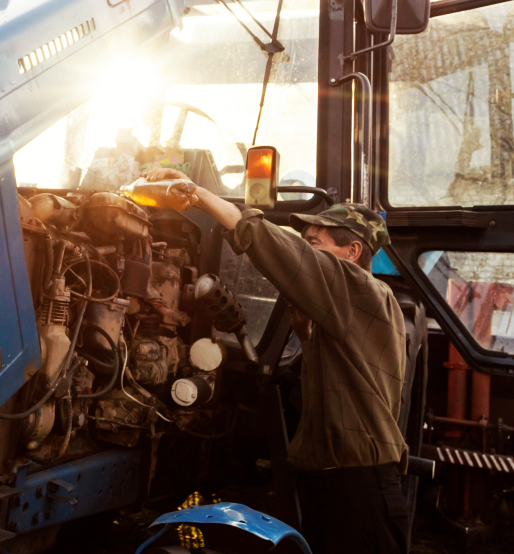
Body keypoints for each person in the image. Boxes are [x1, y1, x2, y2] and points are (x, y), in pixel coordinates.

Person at [146, 167, 409, 554]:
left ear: (353, 252)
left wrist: (197, 192)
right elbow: (341, 385)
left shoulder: (363, 291)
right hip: (332, 488)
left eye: (316, 244)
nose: (308, 252)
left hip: (358, 492)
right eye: (307, 243)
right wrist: (305, 335)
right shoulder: (342, 316)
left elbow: (283, 251)